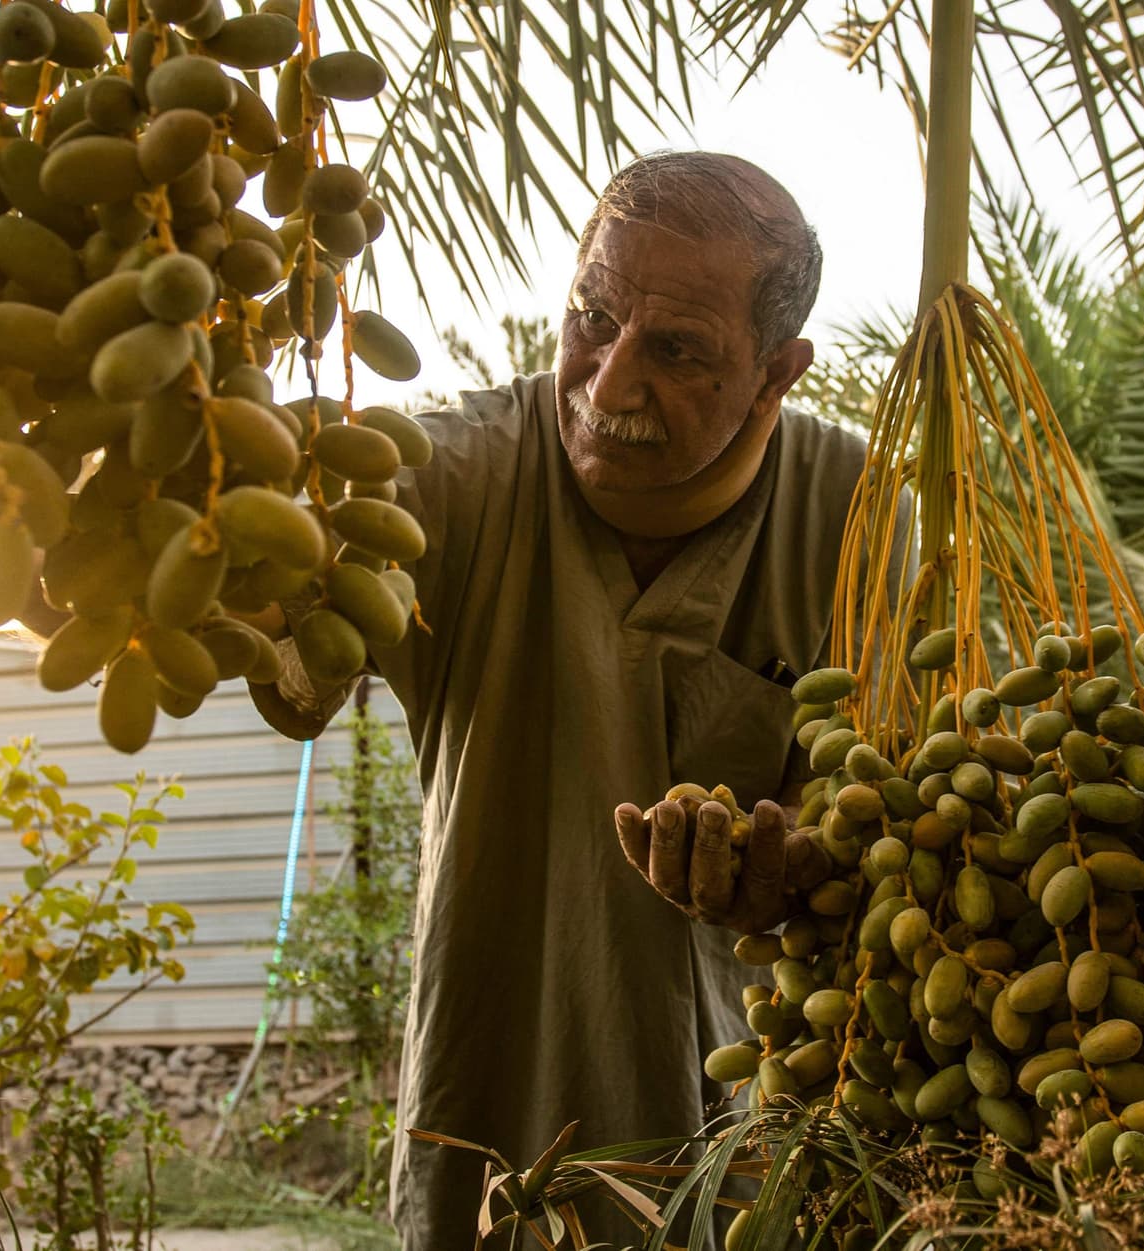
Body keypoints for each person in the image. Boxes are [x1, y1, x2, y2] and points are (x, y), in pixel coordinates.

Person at [251, 150, 861, 1249]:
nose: (608, 383)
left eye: (675, 351)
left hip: (757, 1167)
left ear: (777, 374)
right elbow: (292, 676)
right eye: (591, 317)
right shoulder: (455, 475)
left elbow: (877, 816)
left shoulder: (854, 515)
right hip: (484, 1147)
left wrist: (793, 854)